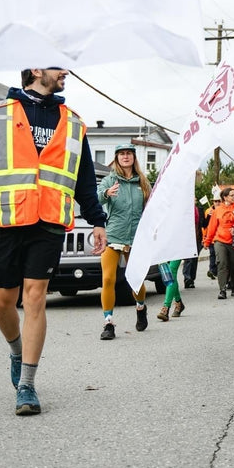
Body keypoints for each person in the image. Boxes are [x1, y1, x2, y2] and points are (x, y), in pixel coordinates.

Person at [0, 67, 107, 416]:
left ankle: (27, 385)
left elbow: (84, 179)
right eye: (57, 66)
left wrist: (97, 220)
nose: (65, 72)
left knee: (35, 296)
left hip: (49, 222)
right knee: (3, 301)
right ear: (36, 70)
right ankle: (16, 352)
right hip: (8, 219)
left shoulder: (73, 123)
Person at [96, 144, 152, 338]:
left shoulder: (143, 182)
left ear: (134, 157)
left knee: (136, 280)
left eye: (129, 154)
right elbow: (97, 199)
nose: (125, 157)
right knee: (108, 279)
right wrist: (106, 193)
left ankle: (140, 307)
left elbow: (151, 208)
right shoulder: (109, 180)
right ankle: (108, 323)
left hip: (136, 237)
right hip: (113, 235)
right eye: (121, 154)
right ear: (116, 158)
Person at [203, 188, 234, 299]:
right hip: (220, 240)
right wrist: (207, 241)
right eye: (231, 195)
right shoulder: (218, 210)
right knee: (221, 264)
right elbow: (212, 227)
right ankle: (222, 290)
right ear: (225, 197)